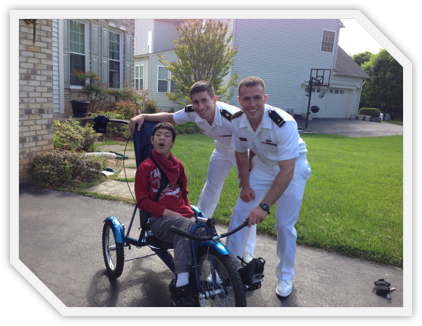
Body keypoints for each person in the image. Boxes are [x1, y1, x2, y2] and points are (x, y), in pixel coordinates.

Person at [135, 122, 261, 307]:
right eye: (158, 135)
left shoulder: (178, 166)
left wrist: (188, 213)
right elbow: (142, 201)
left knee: (206, 229)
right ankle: (182, 284)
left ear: (173, 142)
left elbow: (184, 194)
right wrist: (168, 213)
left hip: (184, 218)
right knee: (186, 227)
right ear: (152, 140)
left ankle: (238, 273)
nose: (162, 138)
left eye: (167, 135)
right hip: (159, 221)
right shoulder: (145, 168)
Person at [129, 81, 256, 263]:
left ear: (215, 99)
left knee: (247, 199)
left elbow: (251, 144)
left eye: (204, 100)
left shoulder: (232, 117)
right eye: (195, 102)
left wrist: (247, 176)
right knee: (210, 188)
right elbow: (172, 118)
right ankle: (195, 232)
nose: (200, 106)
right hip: (222, 149)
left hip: (243, 152)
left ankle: (247, 252)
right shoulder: (193, 111)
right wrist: (144, 116)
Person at [225, 76, 311, 298]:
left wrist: (264, 205)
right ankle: (230, 268)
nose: (251, 104)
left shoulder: (283, 123)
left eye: (256, 98)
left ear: (265, 98)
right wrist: (244, 184)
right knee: (240, 211)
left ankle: (285, 276)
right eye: (246, 99)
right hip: (262, 164)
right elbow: (241, 152)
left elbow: (287, 171)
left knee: (284, 225)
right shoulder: (236, 120)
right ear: (239, 100)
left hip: (292, 166)